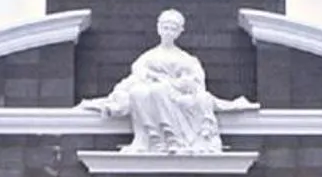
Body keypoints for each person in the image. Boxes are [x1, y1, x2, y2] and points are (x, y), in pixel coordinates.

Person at [81, 10, 249, 153]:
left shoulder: (186, 58)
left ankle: (172, 136)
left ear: (179, 32)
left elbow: (195, 82)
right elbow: (137, 75)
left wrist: (177, 83)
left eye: (172, 29)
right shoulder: (149, 57)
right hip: (152, 91)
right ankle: (154, 137)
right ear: (159, 29)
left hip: (176, 94)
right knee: (137, 92)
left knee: (158, 90)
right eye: (165, 28)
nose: (168, 32)